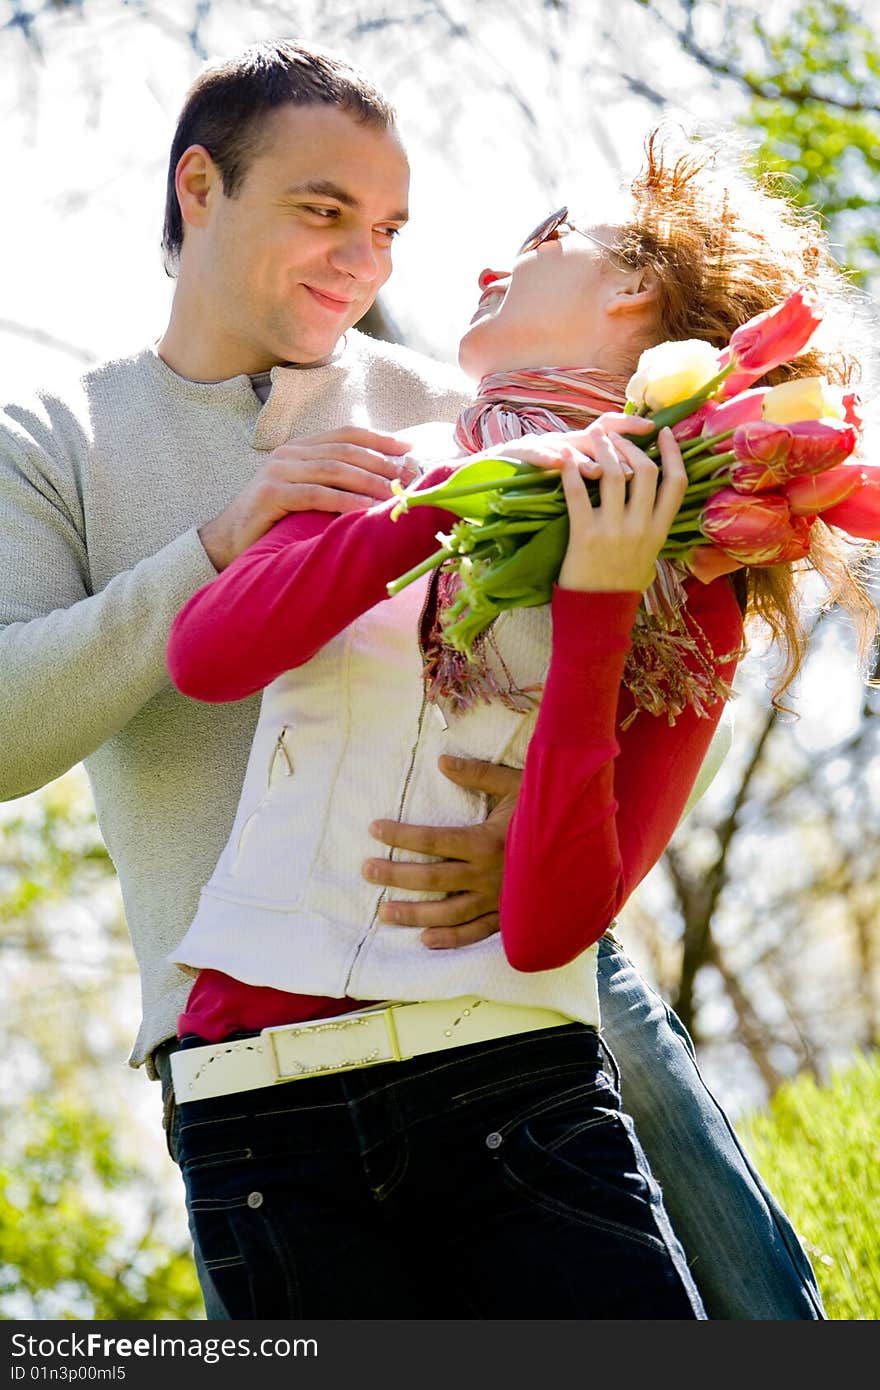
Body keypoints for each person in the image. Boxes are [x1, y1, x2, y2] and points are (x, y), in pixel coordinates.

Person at [0, 38, 834, 1318]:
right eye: (322, 212)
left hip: (519, 993)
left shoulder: (461, 410)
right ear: (199, 189)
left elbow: (651, 670)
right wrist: (210, 550)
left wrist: (579, 850)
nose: (364, 260)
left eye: (388, 228)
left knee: (750, 1307)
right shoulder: (55, 442)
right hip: (246, 1036)